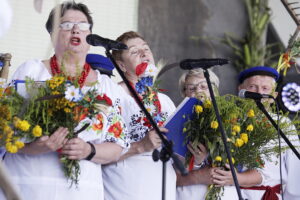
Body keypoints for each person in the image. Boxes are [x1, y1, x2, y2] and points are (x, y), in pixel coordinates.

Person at [0, 2, 130, 200]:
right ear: (52, 34)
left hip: (82, 191)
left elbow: (117, 146)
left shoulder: (106, 87)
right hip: (27, 187)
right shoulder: (31, 72)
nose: (76, 29)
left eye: (83, 25)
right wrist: (35, 147)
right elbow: (4, 130)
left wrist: (88, 150)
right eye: (67, 24)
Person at [102, 31, 177, 200]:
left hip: (164, 186)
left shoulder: (164, 101)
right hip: (126, 188)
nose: (144, 53)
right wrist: (140, 145)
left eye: (146, 48)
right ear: (121, 66)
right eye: (135, 51)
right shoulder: (114, 94)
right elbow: (98, 151)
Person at [176, 68, 263, 200]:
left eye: (204, 86)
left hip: (227, 195)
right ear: (184, 93)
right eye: (192, 89)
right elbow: (171, 175)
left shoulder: (235, 119)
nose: (199, 91)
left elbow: (256, 172)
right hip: (191, 195)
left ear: (215, 90)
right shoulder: (177, 124)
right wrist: (197, 163)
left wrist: (234, 176)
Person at [231, 66, 300, 200]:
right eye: (252, 86)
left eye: (265, 88)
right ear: (240, 90)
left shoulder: (283, 124)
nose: (258, 93)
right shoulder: (231, 122)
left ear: (274, 95)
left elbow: (295, 174)